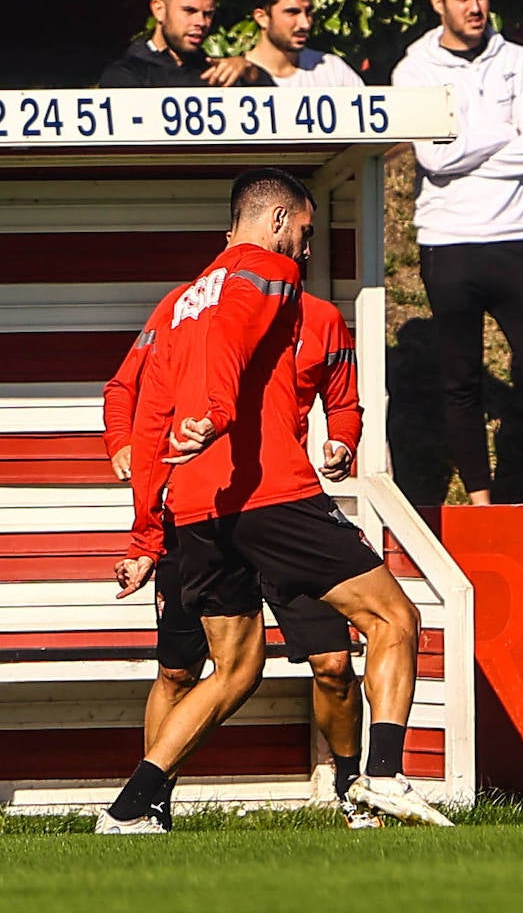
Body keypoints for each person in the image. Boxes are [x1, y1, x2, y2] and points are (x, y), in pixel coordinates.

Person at [97, 168, 448, 833]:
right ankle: (382, 777)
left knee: (234, 668)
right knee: (395, 619)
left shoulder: (177, 303)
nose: (306, 251)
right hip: (271, 496)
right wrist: (221, 411)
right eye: (306, 233)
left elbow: (149, 420)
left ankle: (130, 806)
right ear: (278, 222)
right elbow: (230, 338)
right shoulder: (266, 271)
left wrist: (145, 534)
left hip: (198, 509)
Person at [102, 283, 377, 829]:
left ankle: (353, 791)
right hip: (200, 514)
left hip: (282, 514)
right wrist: (121, 442)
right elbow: (122, 387)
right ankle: (150, 805)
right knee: (179, 673)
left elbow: (343, 401)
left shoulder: (321, 319)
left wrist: (343, 440)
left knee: (335, 667)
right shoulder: (187, 309)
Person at [391, 0, 523, 505]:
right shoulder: (413, 69)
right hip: (448, 242)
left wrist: (470, 139)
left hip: (516, 238)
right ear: (437, 2)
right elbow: (435, 160)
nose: (475, 7)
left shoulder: (520, 60)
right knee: (460, 377)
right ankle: (480, 499)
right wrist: (503, 129)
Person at [99, 0, 263, 88]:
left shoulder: (215, 73)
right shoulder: (126, 76)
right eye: (189, 11)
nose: (201, 22)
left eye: (208, 14)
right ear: (159, 10)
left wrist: (249, 72)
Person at [244, 0, 366, 86]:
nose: (305, 24)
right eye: (292, 12)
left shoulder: (333, 72)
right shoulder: (233, 77)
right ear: (262, 18)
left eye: (308, 12)